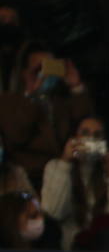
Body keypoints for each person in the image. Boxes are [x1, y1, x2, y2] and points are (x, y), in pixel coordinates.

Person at [0, 42, 95, 187]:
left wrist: (75, 86)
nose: (44, 75)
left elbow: (87, 125)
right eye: (38, 70)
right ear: (24, 73)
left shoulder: (60, 101)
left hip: (67, 174)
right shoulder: (9, 101)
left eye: (49, 68)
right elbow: (17, 135)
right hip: (32, 178)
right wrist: (33, 96)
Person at [40, 116, 109, 249]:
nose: (91, 139)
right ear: (74, 138)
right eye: (85, 133)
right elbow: (53, 211)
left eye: (97, 135)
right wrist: (65, 163)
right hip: (66, 250)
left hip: (104, 249)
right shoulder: (55, 167)